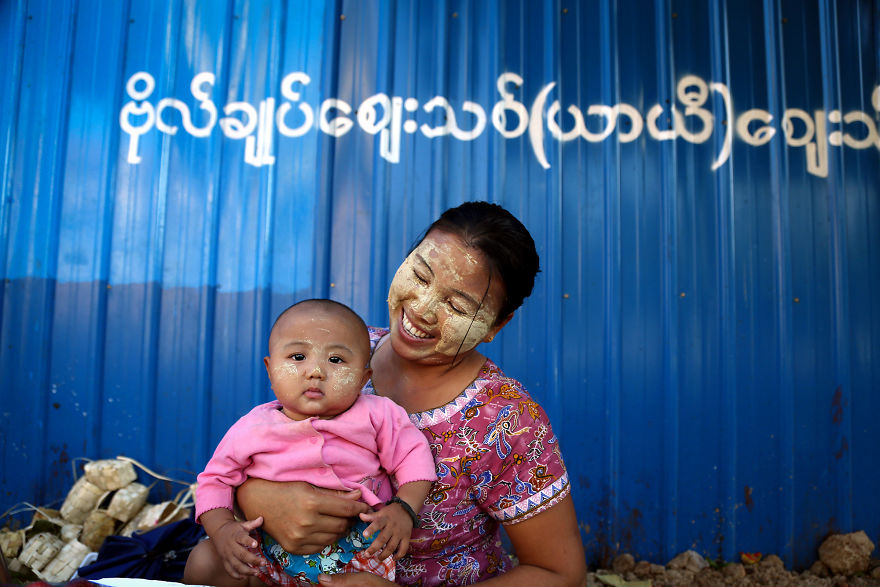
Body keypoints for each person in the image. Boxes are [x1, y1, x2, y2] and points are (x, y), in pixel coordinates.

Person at [237, 201, 587, 586]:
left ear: (496, 325)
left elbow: (560, 573)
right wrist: (255, 498)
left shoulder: (507, 422)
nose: (422, 309)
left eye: (457, 305)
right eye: (420, 276)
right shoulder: (339, 355)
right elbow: (256, 449)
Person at [184, 299, 437, 587]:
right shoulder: (252, 428)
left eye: (336, 360)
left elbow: (413, 457)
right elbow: (215, 480)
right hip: (267, 553)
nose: (315, 371)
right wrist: (223, 530)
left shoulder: (377, 414)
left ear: (363, 378)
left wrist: (404, 507)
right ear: (270, 370)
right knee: (204, 562)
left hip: (355, 556)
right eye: (297, 357)